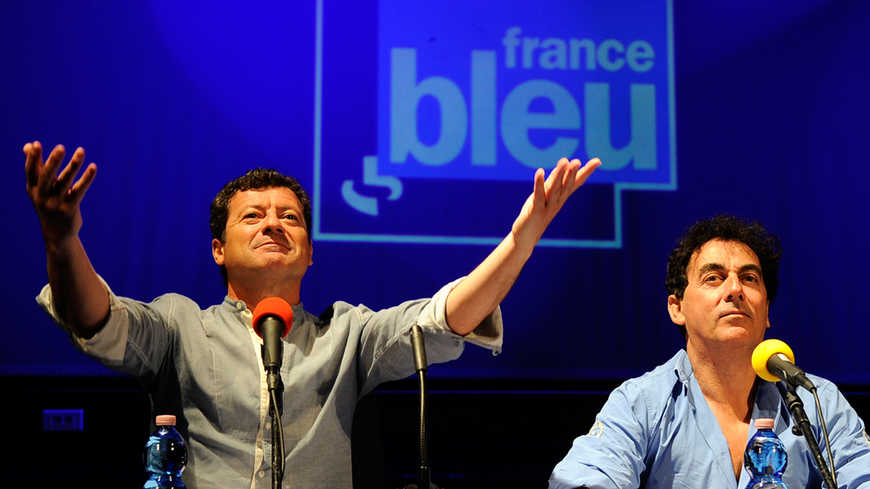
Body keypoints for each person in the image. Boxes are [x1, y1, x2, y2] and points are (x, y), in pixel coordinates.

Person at [23, 140, 601, 489]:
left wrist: (521, 240)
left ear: (310, 252)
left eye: (290, 217)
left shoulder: (346, 334)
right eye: (253, 217)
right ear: (218, 250)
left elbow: (444, 317)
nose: (273, 224)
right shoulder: (179, 325)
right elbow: (94, 318)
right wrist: (61, 240)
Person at [549, 215, 870, 489]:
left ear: (767, 312)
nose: (735, 290)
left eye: (749, 278)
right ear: (677, 308)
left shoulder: (817, 401)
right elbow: (586, 480)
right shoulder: (640, 403)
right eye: (713, 278)